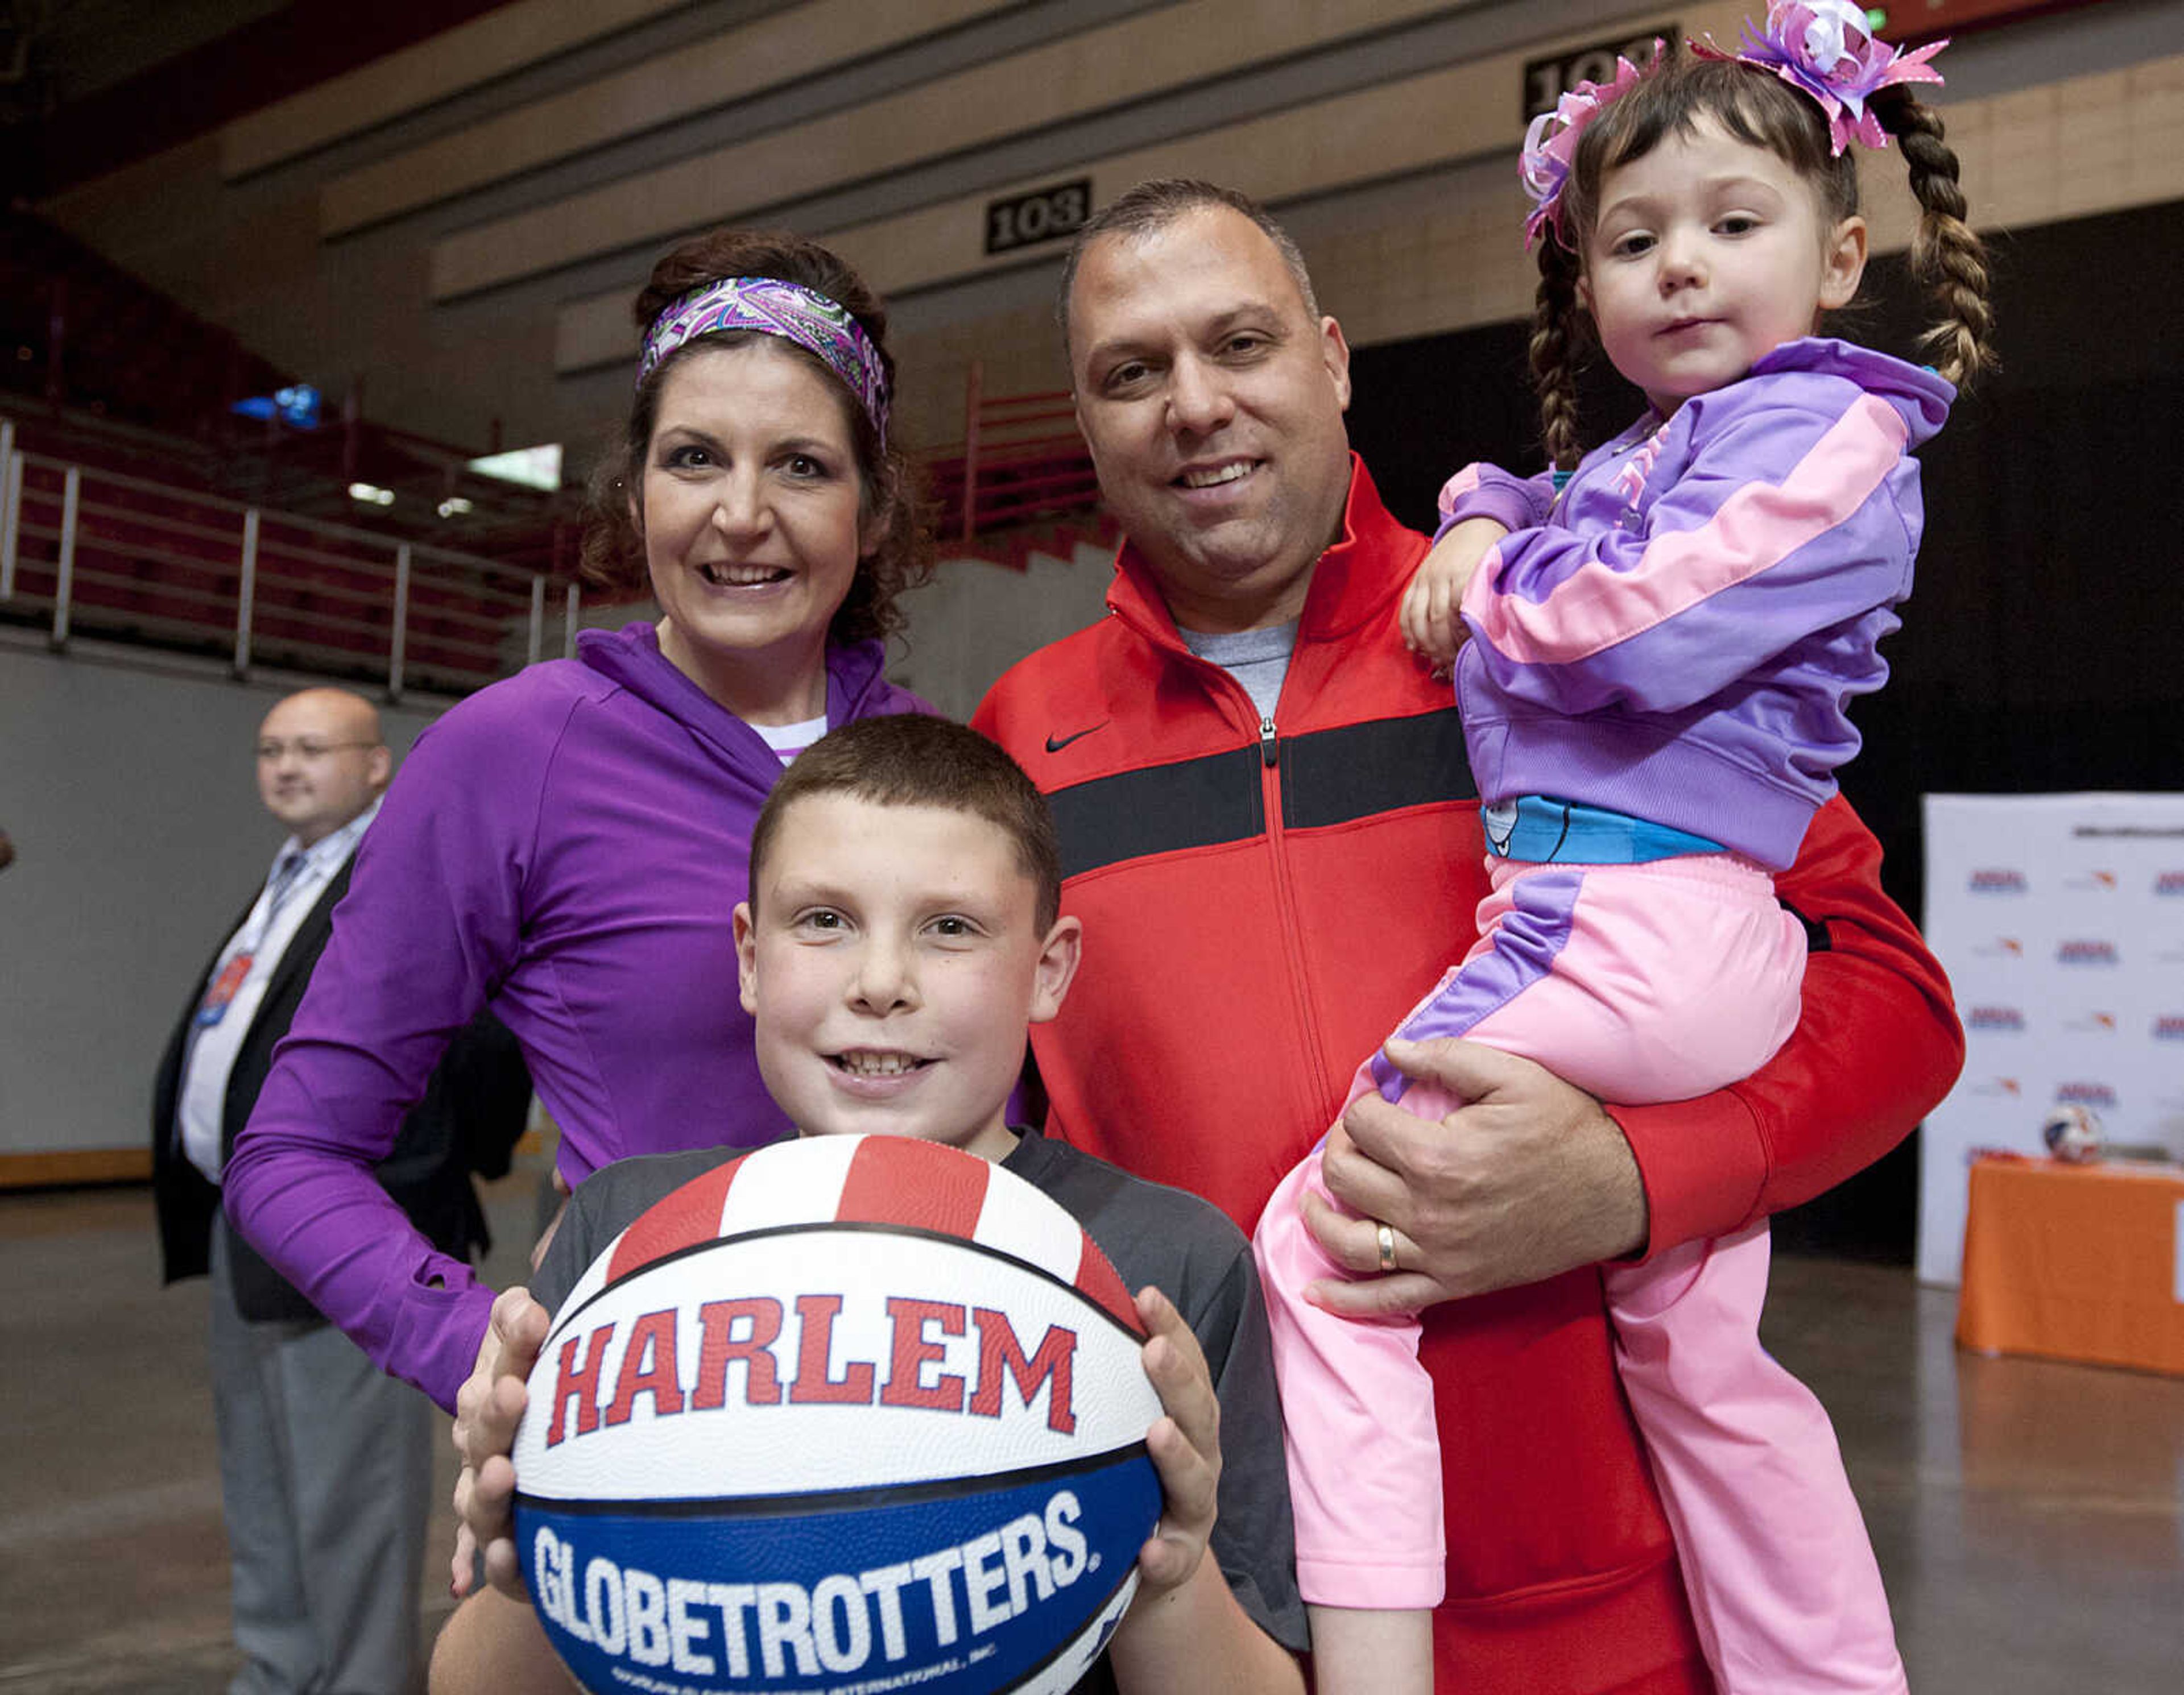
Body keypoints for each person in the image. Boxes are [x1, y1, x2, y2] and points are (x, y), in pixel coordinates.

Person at [969, 173, 1965, 1692]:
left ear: (1334, 357)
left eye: (1239, 344)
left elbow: (1893, 1004)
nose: (1193, 404)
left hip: (1597, 1623)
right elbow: (989, 1147)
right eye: (1132, 371)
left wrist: (1630, 1179)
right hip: (1194, 1624)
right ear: (1087, 418)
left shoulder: (1552, 624)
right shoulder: (1020, 738)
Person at [1251, 9, 1994, 1692]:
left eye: (1736, 225)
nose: (1683, 269)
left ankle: (1371, 1669)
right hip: (1655, 919)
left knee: (1319, 1245)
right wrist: (1489, 511)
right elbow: (1547, 493)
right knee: (1698, 1355)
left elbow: (1645, 630)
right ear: (1587, 282)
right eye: (1637, 241)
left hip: (1626, 912)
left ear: (1842, 247)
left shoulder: (1838, 433)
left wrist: (1488, 586)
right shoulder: (1666, 448)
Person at [428, 714, 1307, 1695]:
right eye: (824, 920)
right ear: (750, 958)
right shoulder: (626, 1236)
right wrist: (522, 1569)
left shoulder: (1170, 1262)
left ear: (1048, 968)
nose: (880, 983)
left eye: (950, 928)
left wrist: (1169, 1577)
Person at [222, 229, 928, 1423]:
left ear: (869, 514)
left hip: (935, 1412)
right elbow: (291, 1158)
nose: (741, 514)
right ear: (635, 489)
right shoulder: (511, 753)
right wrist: (475, 1348)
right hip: (656, 1433)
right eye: (695, 458)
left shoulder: (944, 770)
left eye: (802, 466)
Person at [151, 686, 532, 1695]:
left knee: (348, 1501)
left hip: (351, 1233)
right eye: (271, 747)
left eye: (314, 747)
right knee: (267, 1490)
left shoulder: (393, 869)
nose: (284, 765)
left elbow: (488, 1042)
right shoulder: (287, 876)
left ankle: (359, 1681)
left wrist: (431, 1169)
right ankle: (280, 1671)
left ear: (377, 767)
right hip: (250, 1235)